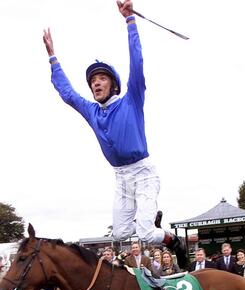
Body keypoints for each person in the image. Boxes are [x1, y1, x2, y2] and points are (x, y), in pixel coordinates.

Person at [42, 0, 187, 269]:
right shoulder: (92, 111)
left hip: (143, 173)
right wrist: (53, 58)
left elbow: (137, 62)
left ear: (114, 84)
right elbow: (67, 94)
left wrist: (130, 22)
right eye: (92, 80)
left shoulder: (131, 99)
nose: (95, 83)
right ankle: (149, 221)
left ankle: (171, 239)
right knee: (119, 234)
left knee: (145, 234)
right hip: (121, 177)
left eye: (101, 79)